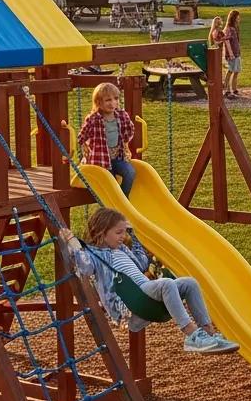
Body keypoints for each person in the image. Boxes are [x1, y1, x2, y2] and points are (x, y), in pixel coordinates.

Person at [75, 209, 238, 354]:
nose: (123, 236)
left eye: (124, 232)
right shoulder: (94, 255)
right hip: (128, 305)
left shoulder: (122, 249)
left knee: (190, 283)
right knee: (167, 284)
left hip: (144, 296)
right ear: (102, 233)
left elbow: (142, 263)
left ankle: (208, 334)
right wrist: (72, 246)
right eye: (119, 232)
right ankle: (192, 336)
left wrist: (135, 237)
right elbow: (84, 267)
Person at [78, 82, 136, 196]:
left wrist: (126, 128)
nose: (113, 103)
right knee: (111, 182)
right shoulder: (94, 119)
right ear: (99, 102)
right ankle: (117, 201)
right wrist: (85, 148)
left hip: (117, 157)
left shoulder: (121, 115)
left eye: (115, 99)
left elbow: (129, 132)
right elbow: (82, 136)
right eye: (108, 100)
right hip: (101, 162)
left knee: (130, 172)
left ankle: (124, 197)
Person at [223, 9, 242, 98]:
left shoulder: (235, 28)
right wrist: (230, 54)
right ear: (234, 18)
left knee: (236, 71)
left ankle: (234, 89)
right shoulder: (229, 29)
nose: (239, 18)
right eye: (238, 17)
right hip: (232, 54)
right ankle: (226, 89)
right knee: (230, 70)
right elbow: (226, 41)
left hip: (237, 53)